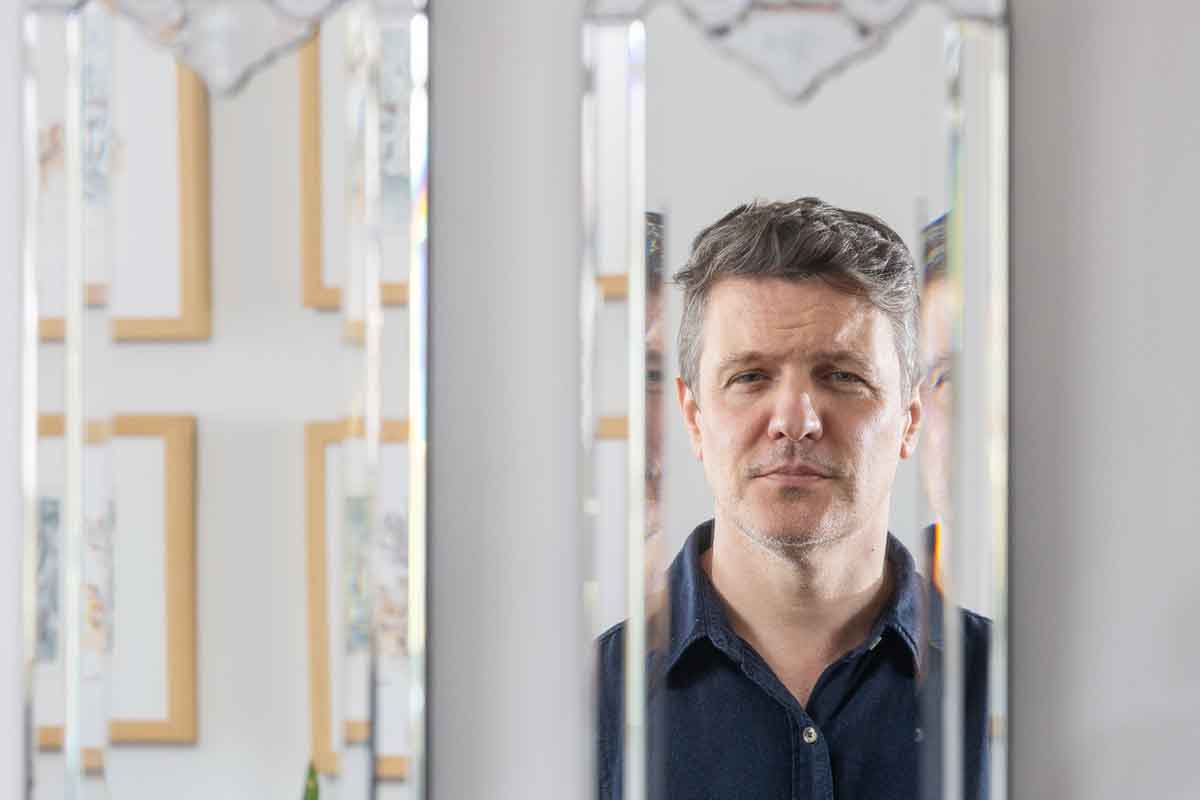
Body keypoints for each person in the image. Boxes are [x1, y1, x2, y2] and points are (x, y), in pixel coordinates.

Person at [596, 198, 989, 799]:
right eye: (750, 377)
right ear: (694, 417)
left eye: (842, 376)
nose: (795, 421)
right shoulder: (585, 707)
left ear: (909, 419)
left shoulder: (1016, 695)